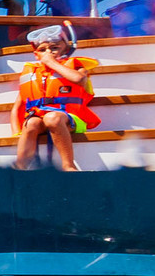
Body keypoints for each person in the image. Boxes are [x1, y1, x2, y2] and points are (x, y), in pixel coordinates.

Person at [12, 22, 99, 171]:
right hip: (40, 118)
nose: (48, 53)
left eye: (54, 48)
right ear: (36, 54)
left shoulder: (77, 68)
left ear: (66, 48)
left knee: (52, 118)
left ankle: (68, 165)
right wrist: (16, 132)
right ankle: (20, 167)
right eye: (43, 50)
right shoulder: (32, 74)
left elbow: (78, 79)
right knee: (31, 123)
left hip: (70, 119)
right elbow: (17, 107)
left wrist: (51, 63)